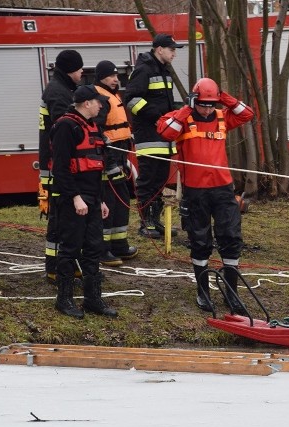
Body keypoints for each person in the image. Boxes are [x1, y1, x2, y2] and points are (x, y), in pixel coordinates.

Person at [156, 78, 254, 313]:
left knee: (230, 238)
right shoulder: (183, 118)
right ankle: (203, 293)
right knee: (200, 242)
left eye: (212, 104)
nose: (208, 109)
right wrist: (188, 108)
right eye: (203, 104)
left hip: (223, 189)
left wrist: (224, 97)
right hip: (195, 191)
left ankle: (231, 294)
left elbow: (246, 114)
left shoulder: (222, 117)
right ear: (194, 100)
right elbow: (166, 132)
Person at [50, 85, 117, 319]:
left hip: (93, 198)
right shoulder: (66, 126)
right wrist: (76, 197)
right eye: (97, 101)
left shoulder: (94, 127)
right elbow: (60, 168)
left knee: (93, 248)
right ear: (86, 103)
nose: (101, 105)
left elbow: (95, 168)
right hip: (73, 199)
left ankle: (92, 299)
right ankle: (64, 299)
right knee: (69, 249)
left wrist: (101, 200)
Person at [124, 33, 183, 239]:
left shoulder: (163, 70)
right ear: (160, 49)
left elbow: (164, 104)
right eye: (171, 49)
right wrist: (157, 117)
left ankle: (155, 221)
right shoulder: (144, 69)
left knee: (159, 181)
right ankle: (145, 223)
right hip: (148, 136)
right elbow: (130, 99)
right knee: (148, 181)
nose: (174, 53)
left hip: (163, 137)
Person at [39, 49, 84, 282]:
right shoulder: (58, 92)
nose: (82, 73)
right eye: (79, 69)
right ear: (69, 70)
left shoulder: (62, 88)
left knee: (65, 219)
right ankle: (55, 267)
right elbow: (63, 129)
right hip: (55, 166)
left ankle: (67, 263)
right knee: (57, 218)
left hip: (56, 164)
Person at [93, 60, 138, 266]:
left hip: (120, 157)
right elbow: (97, 131)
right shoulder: (99, 98)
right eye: (112, 76)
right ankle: (103, 249)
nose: (115, 79)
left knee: (122, 201)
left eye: (116, 76)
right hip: (107, 160)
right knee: (108, 204)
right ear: (101, 76)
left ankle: (119, 245)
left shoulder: (112, 95)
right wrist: (110, 162)